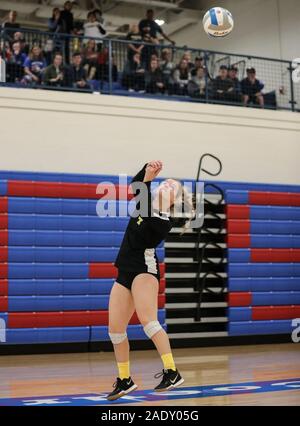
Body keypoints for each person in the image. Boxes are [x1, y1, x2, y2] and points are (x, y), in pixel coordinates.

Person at [107, 160, 194, 401]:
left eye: (171, 187)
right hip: (125, 269)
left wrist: (147, 178)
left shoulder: (161, 221)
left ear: (174, 200)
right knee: (115, 330)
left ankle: (172, 372)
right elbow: (137, 186)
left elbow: (140, 192)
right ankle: (125, 380)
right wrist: (148, 169)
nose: (165, 184)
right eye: (165, 182)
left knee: (149, 322)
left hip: (145, 270)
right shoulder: (145, 205)